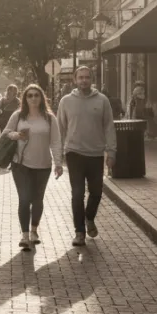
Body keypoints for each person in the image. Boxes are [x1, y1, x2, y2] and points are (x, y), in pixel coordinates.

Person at [58, 66, 116, 247]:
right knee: (77, 194)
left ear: (92, 79)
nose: (84, 80)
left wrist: (111, 151)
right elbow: (60, 129)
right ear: (75, 80)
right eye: (80, 77)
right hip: (74, 153)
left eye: (87, 77)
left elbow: (109, 126)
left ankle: (89, 218)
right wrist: (58, 155)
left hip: (96, 153)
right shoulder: (66, 101)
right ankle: (79, 232)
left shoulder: (102, 100)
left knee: (97, 192)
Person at [3, 84, 63, 251]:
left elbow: (56, 142)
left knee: (37, 200)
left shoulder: (50, 118)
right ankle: (24, 235)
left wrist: (58, 163)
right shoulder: (18, 115)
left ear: (41, 97)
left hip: (43, 165)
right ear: (25, 98)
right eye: (30, 95)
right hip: (20, 164)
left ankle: (34, 229)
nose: (33, 98)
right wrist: (16, 135)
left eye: (36, 95)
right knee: (24, 199)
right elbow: (6, 132)